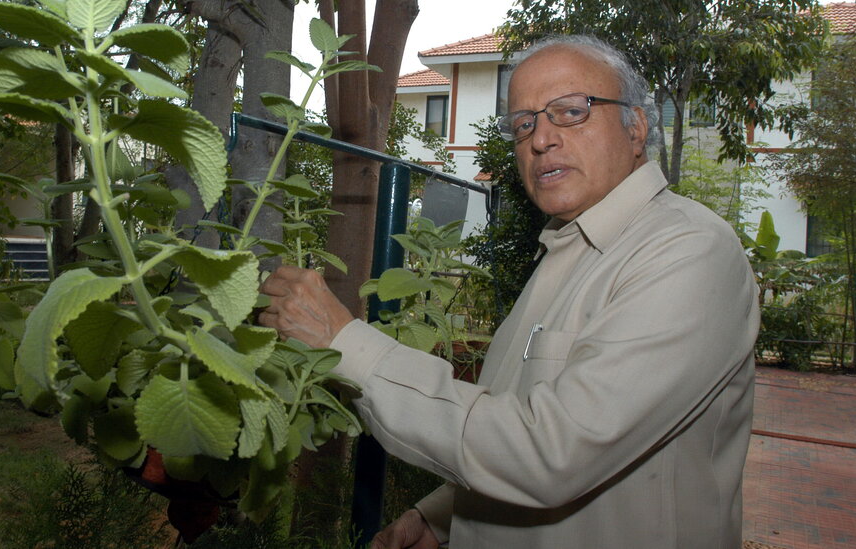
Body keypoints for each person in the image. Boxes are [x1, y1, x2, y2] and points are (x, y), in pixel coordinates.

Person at [258, 34, 759, 548]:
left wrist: (344, 343)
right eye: (524, 124)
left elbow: (552, 452)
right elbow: (514, 418)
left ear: (637, 128)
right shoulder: (569, 249)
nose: (540, 139)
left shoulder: (687, 251)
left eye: (570, 111)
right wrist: (442, 517)